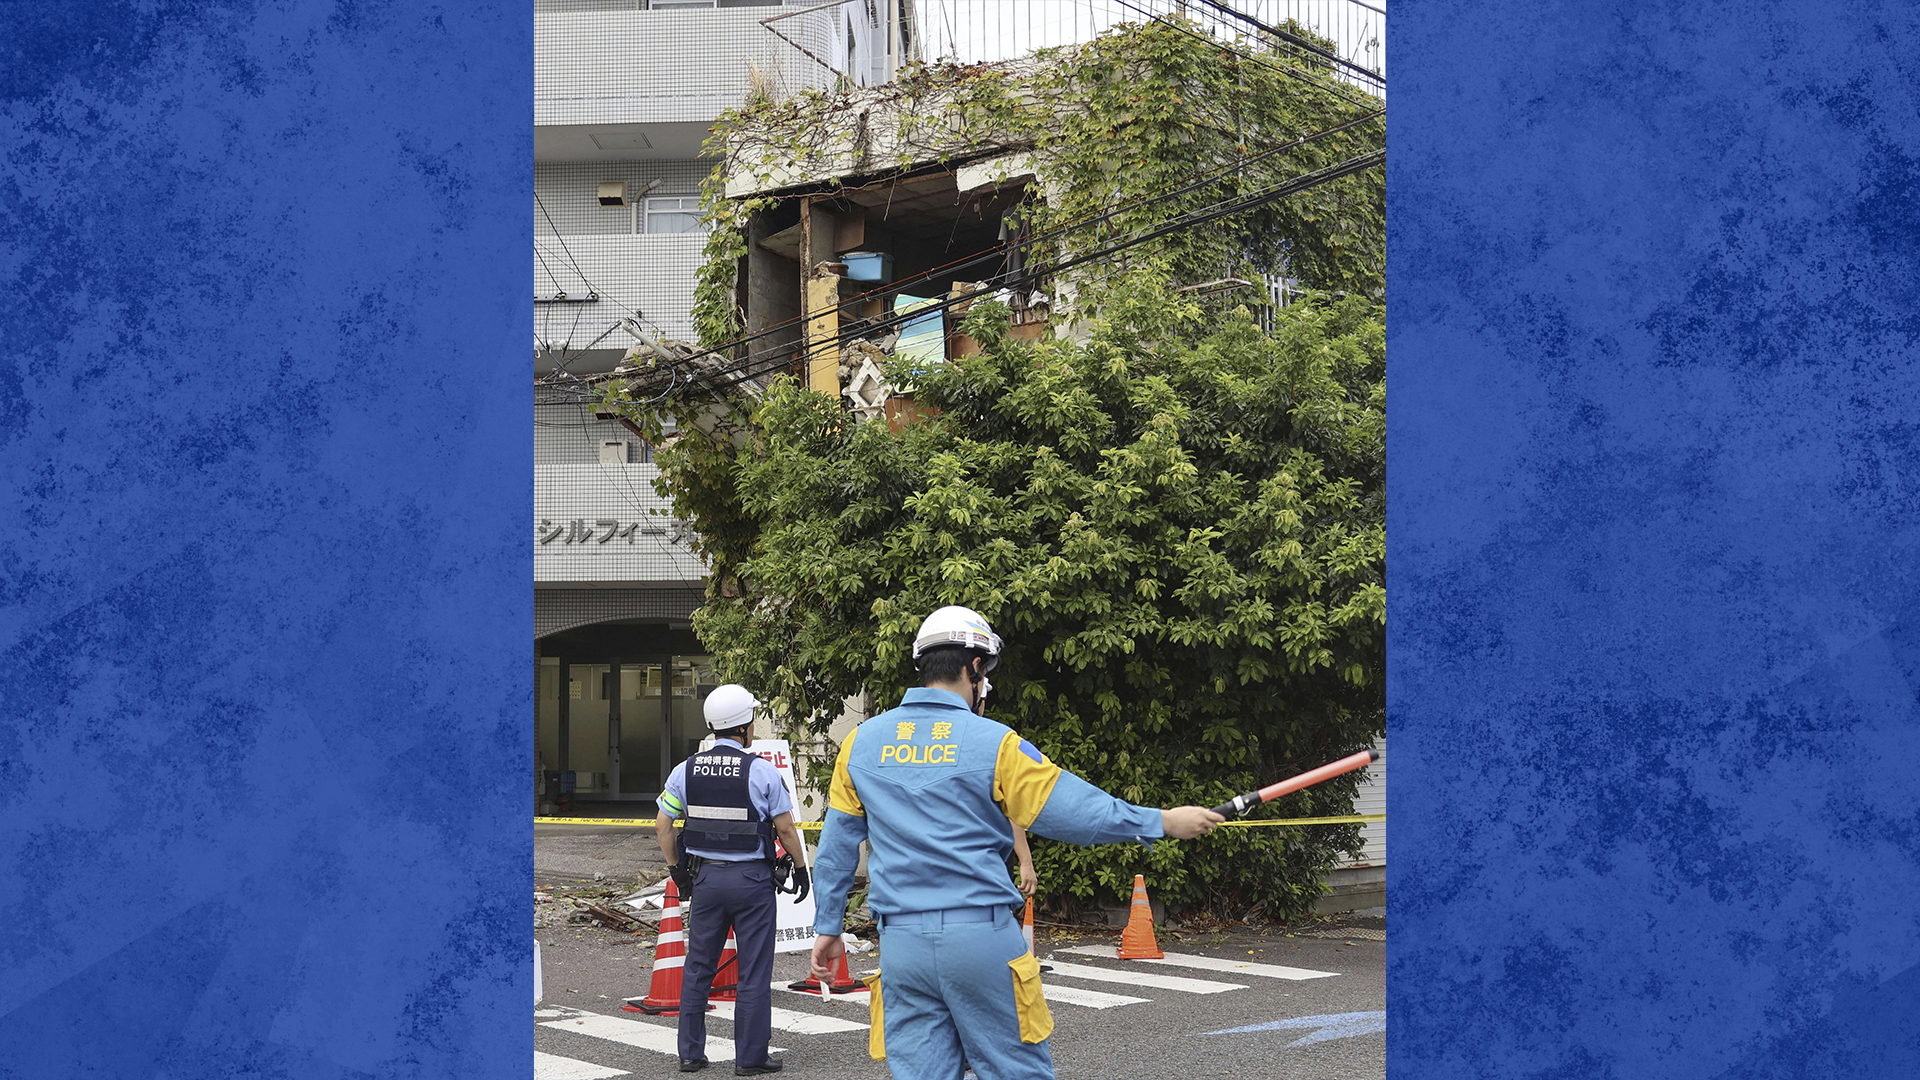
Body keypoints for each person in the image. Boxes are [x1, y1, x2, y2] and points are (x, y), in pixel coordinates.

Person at [807, 606, 1225, 1080]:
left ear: (923, 665)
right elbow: (1073, 811)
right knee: (1015, 1071)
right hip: (980, 939)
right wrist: (1162, 820)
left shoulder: (860, 743)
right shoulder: (996, 743)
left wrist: (828, 926)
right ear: (975, 668)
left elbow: (838, 847)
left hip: (901, 946)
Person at [655, 684, 811, 1076]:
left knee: (699, 967)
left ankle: (691, 1054)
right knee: (754, 971)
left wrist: (678, 871)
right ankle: (750, 1058)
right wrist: (801, 868)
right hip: (752, 882)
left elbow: (663, 825)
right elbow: (787, 830)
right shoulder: (761, 771)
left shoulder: (685, 770)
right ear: (744, 726)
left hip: (706, 880)